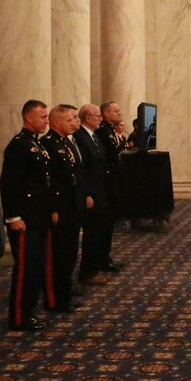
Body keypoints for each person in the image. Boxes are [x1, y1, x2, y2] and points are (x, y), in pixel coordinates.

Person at [0, 100, 55, 330]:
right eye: (42, 117)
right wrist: (13, 217)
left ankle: (30, 310)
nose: (46, 121)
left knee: (36, 266)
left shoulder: (36, 144)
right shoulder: (18, 146)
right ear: (28, 118)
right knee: (25, 269)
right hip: (24, 219)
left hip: (38, 216)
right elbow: (10, 184)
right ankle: (19, 317)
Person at [39, 105, 83, 312]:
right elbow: (49, 181)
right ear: (56, 123)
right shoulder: (48, 144)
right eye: (69, 120)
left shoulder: (66, 143)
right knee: (58, 256)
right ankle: (55, 299)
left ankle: (65, 294)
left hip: (71, 205)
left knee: (69, 252)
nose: (74, 123)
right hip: (59, 207)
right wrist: (53, 208)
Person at [74, 104, 111, 286]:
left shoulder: (93, 136)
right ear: (88, 118)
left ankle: (95, 267)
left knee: (99, 232)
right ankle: (88, 271)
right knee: (92, 233)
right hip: (91, 194)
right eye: (97, 116)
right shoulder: (80, 137)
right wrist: (87, 193)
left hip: (100, 191)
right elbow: (82, 170)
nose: (101, 119)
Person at [94, 101, 124, 273]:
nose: (120, 114)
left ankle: (105, 258)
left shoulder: (110, 129)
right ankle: (101, 260)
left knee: (108, 225)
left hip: (112, 181)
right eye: (116, 111)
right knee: (103, 226)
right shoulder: (103, 132)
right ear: (106, 114)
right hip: (105, 183)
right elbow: (113, 151)